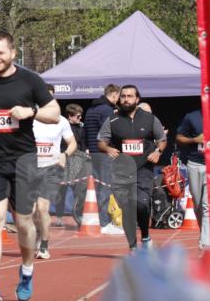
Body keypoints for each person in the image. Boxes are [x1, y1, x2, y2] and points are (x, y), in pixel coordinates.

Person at [0, 31, 60, 301]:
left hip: (24, 161)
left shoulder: (30, 80)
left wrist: (31, 112)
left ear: (12, 53)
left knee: (24, 222)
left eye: (0, 53)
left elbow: (55, 113)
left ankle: (27, 270)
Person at [97, 84, 166, 251]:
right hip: (121, 170)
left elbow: (162, 140)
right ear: (119, 99)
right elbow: (101, 142)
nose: (126, 99)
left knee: (141, 204)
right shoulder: (112, 120)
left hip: (143, 168)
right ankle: (133, 246)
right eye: (123, 96)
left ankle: (145, 236)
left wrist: (158, 151)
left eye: (130, 96)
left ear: (137, 99)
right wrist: (107, 149)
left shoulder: (150, 119)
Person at [32, 86, 77, 259]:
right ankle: (38, 234)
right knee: (32, 210)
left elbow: (72, 143)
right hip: (30, 168)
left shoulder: (61, 120)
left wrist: (65, 155)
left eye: (49, 98)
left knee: (42, 207)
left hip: (51, 168)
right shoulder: (30, 118)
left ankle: (44, 246)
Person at [84, 84, 120, 228]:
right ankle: (104, 221)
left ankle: (96, 217)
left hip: (93, 153)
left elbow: (86, 132)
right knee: (105, 187)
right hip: (105, 152)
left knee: (97, 187)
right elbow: (110, 132)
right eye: (118, 96)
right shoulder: (107, 110)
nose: (118, 99)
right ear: (114, 94)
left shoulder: (90, 109)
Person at [176, 106, 209, 253]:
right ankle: (204, 232)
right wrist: (195, 139)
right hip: (195, 164)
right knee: (198, 204)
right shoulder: (192, 116)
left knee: (207, 205)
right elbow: (179, 137)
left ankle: (205, 242)